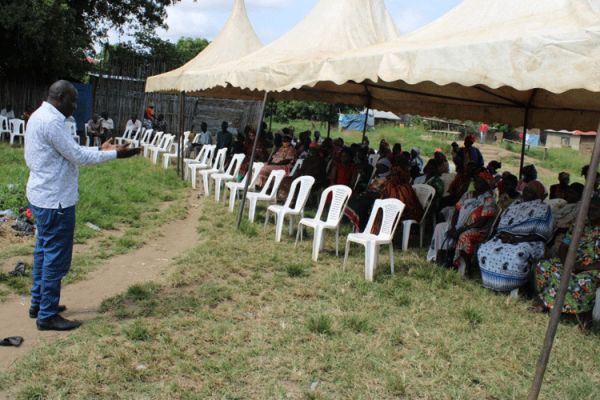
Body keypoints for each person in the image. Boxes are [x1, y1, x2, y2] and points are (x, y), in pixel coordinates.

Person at [24, 80, 139, 331]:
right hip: (56, 201)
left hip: (42, 195)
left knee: (43, 251)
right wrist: (115, 154)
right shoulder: (52, 122)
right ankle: (47, 314)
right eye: (73, 101)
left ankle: (38, 303)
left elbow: (69, 151)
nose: (75, 106)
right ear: (61, 97)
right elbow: (78, 156)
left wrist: (99, 148)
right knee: (55, 258)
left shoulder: (39, 115)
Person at [534, 197, 600, 330]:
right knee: (545, 266)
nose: (590, 213)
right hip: (571, 263)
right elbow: (564, 247)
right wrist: (568, 263)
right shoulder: (579, 225)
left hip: (592, 268)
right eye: (589, 209)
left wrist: (581, 267)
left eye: (595, 210)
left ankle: (583, 316)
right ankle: (544, 303)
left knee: (585, 280)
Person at [478, 181, 554, 292]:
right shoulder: (515, 204)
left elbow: (542, 235)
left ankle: (513, 286)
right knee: (485, 249)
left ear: (538, 194)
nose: (526, 193)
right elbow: (504, 224)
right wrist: (504, 235)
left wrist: (516, 239)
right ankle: (491, 282)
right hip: (507, 238)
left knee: (517, 254)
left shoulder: (543, 208)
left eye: (531, 191)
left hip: (529, 241)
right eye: (526, 190)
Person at [428, 169, 498, 275]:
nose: (476, 183)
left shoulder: (489, 200)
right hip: (459, 225)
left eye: (479, 181)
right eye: (475, 181)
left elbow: (482, 221)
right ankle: (437, 257)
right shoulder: (468, 194)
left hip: (478, 229)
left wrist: (462, 229)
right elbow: (457, 210)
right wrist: (453, 226)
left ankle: (463, 267)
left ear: (486, 183)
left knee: (465, 236)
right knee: (440, 227)